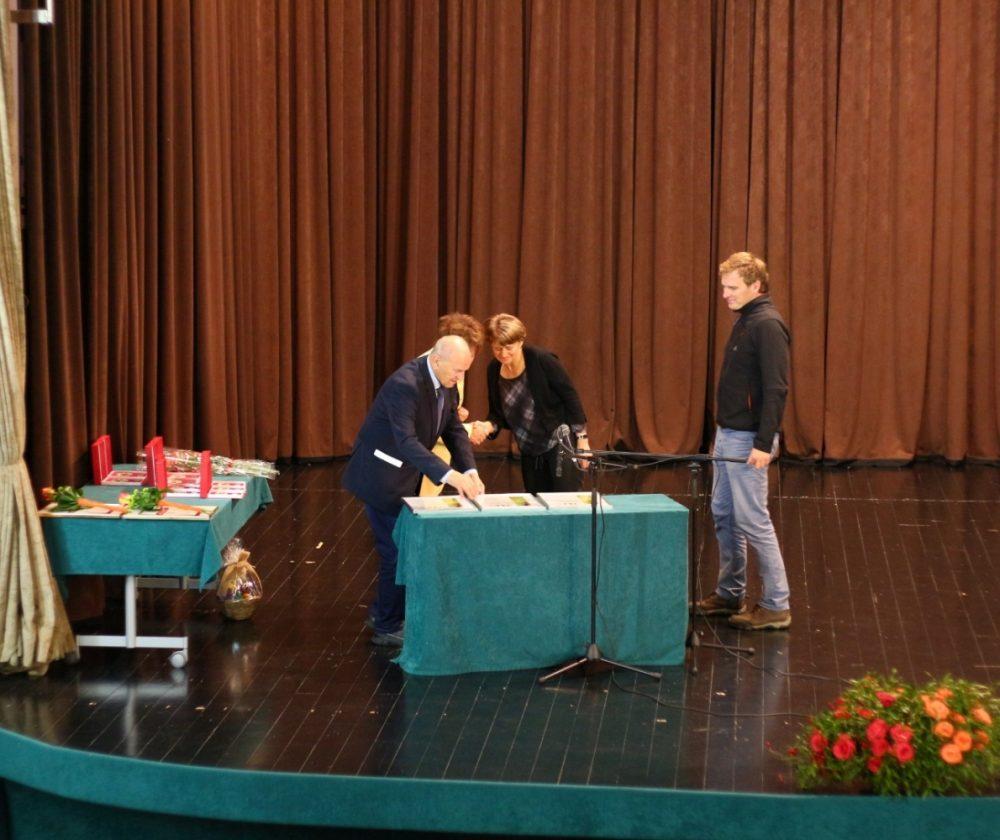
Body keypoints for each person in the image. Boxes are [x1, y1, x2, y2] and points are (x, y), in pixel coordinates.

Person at [343, 335, 485, 646]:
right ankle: (387, 626)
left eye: (465, 371)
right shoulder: (404, 384)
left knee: (400, 547)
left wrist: (470, 471)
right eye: (457, 370)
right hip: (380, 476)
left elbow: (453, 429)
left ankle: (383, 613)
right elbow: (407, 442)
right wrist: (452, 476)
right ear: (436, 360)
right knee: (395, 550)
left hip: (404, 476)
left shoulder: (446, 380)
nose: (461, 377)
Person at [694, 252, 792, 631]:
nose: (725, 295)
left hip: (748, 438)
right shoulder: (746, 319)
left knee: (752, 520)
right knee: (724, 513)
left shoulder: (767, 325)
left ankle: (776, 605)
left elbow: (776, 388)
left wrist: (764, 444)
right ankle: (729, 593)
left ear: (756, 286)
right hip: (728, 435)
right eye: (724, 287)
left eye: (732, 287)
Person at [473, 313, 590, 493]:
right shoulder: (493, 370)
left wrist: (582, 440)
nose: (503, 354)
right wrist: (487, 426)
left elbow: (570, 397)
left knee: (566, 500)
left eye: (508, 347)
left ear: (520, 341)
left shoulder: (541, 360)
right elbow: (498, 414)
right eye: (497, 348)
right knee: (536, 502)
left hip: (559, 441)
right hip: (528, 447)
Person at [419, 313, 487, 497]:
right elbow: (424, 428)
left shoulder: (452, 366)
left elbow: (445, 410)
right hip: (420, 465)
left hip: (437, 460)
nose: (470, 359)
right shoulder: (422, 377)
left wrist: (453, 412)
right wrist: (469, 430)